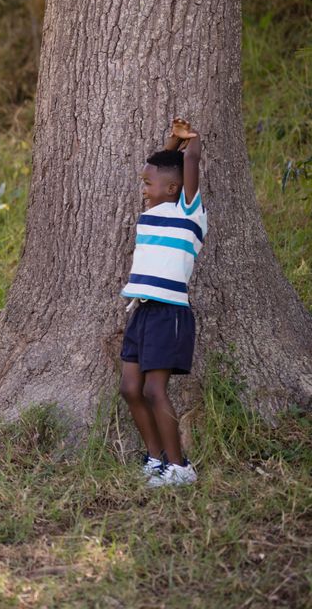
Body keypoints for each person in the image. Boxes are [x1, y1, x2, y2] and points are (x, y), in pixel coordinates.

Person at [119, 118, 204, 487]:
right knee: (130, 389)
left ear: (173, 188)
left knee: (155, 390)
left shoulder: (188, 211)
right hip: (143, 310)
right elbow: (162, 168)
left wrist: (191, 142)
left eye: (147, 183)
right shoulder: (154, 211)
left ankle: (180, 466)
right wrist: (171, 142)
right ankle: (156, 459)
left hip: (170, 313)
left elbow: (188, 167)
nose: (143, 187)